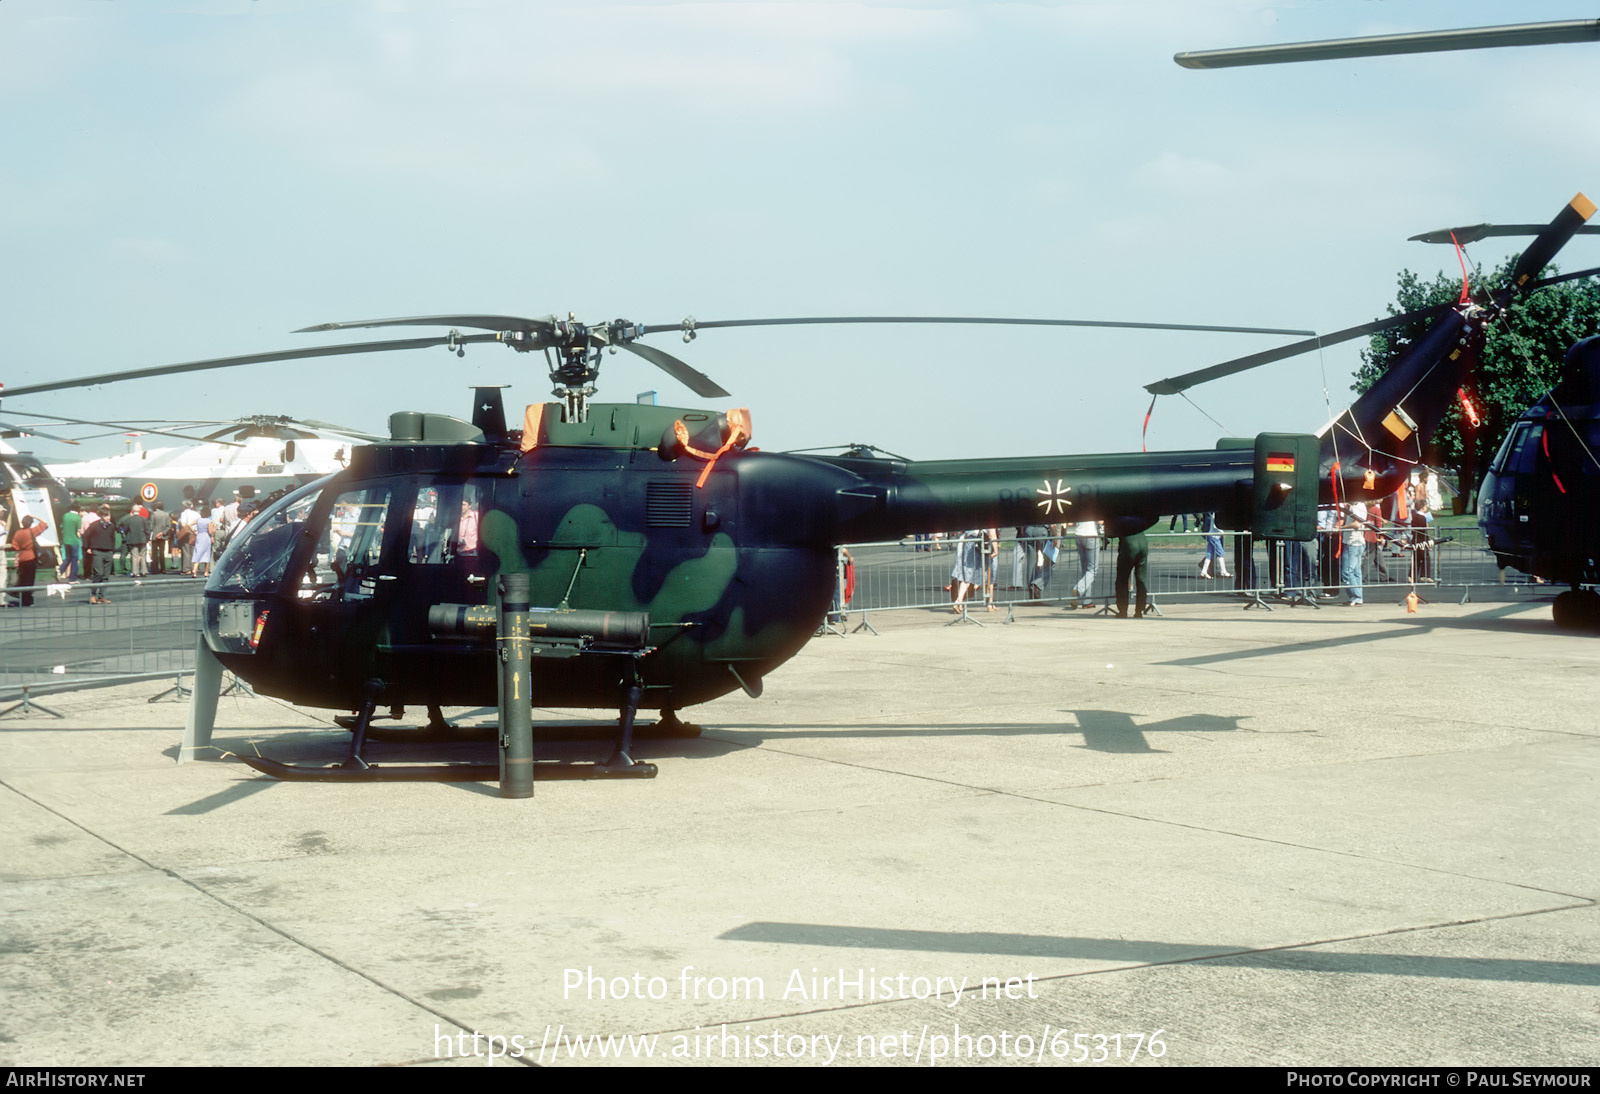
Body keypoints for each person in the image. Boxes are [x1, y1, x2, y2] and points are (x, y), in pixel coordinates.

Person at [10, 515, 48, 607]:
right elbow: (44, 524)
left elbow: (15, 547)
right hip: (31, 557)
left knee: (23, 580)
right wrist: (35, 516)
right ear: (30, 523)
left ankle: (23, 598)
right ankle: (28, 600)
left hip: (22, 558)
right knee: (30, 580)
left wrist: (16, 560)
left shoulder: (18, 533)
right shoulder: (32, 531)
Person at [1115, 531, 1150, 618]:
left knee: (1122, 579)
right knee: (1141, 579)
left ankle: (1122, 610)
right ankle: (1139, 610)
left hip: (1129, 544)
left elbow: (1111, 533)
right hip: (1143, 543)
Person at [84, 505, 116, 604]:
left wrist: (112, 550)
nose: (108, 518)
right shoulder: (94, 525)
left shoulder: (111, 526)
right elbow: (85, 536)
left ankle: (101, 596)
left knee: (106, 576)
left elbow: (113, 538)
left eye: (109, 515)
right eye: (106, 516)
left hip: (108, 551)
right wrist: (88, 547)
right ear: (101, 516)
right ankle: (93, 594)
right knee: (98, 573)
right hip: (97, 551)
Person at [1340, 501, 1367, 605]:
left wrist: (1342, 528)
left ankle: (1356, 595)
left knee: (1347, 572)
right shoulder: (1359, 505)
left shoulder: (1356, 507)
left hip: (1353, 542)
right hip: (1357, 542)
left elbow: (1357, 524)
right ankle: (1357, 597)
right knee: (1356, 572)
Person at [950, 529, 983, 613]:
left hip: (968, 542)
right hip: (972, 543)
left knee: (966, 577)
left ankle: (960, 603)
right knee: (968, 576)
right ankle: (958, 601)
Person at [1070, 520, 1100, 609]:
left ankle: (1086, 600)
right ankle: (1078, 589)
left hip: (1079, 534)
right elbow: (1101, 521)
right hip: (1091, 535)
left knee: (1085, 570)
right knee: (1092, 569)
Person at [119, 505, 149, 578]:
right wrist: (147, 539)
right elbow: (147, 530)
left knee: (134, 556)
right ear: (139, 511)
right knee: (142, 556)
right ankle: (144, 571)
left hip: (133, 540)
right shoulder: (144, 519)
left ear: (132, 510)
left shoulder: (129, 520)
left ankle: (135, 572)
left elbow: (125, 530)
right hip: (142, 539)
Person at [1198, 512, 1229, 579]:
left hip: (1213, 535)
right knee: (1221, 553)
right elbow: (1216, 525)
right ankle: (1223, 571)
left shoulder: (1215, 514)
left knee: (1209, 554)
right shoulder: (1216, 514)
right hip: (1215, 536)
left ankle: (1204, 571)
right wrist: (1222, 532)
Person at [59, 503, 82, 581]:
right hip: (74, 541)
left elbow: (62, 528)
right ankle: (72, 579)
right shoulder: (78, 518)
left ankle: (60, 570)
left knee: (68, 558)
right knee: (75, 560)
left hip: (66, 540)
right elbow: (78, 532)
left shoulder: (65, 516)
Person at [148, 502, 169, 575]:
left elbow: (151, 525)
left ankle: (155, 569)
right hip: (162, 536)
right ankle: (163, 569)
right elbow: (168, 526)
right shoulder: (166, 514)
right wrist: (162, 533)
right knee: (162, 553)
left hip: (154, 536)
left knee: (154, 553)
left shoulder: (154, 514)